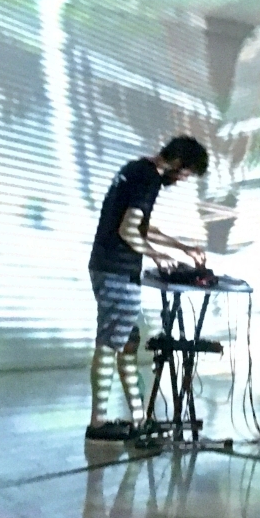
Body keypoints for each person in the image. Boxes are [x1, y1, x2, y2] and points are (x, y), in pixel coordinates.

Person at [86, 136, 209, 441]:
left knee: (128, 343)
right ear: (178, 162)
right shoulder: (149, 178)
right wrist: (157, 255)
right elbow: (129, 231)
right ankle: (98, 424)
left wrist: (181, 247)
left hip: (110, 268)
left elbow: (142, 227)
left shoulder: (135, 169)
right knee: (109, 345)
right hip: (117, 270)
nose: (183, 180)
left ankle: (140, 419)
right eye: (186, 173)